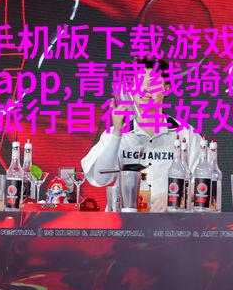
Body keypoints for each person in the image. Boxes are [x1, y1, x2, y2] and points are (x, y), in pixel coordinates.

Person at [81, 58, 204, 212]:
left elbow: (205, 183)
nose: (145, 89)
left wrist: (174, 196)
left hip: (171, 223)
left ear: (166, 88)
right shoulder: (115, 134)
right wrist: (117, 132)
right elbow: (99, 179)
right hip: (125, 223)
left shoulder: (186, 134)